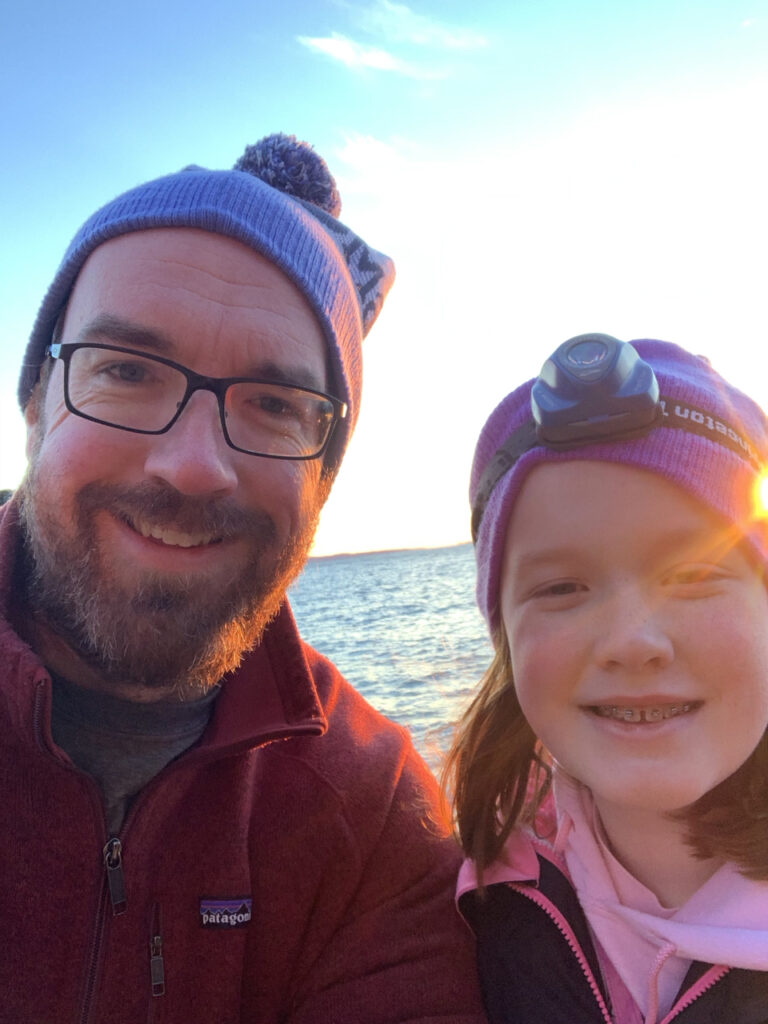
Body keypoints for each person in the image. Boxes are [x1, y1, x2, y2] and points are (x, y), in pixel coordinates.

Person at [1, 134, 484, 1022]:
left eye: (273, 404)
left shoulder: (371, 815)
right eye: (127, 372)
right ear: (37, 407)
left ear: (324, 478)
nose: (192, 467)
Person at [444, 333, 768, 1023]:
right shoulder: (482, 887)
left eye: (693, 575)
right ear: (505, 637)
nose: (632, 642)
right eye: (562, 587)